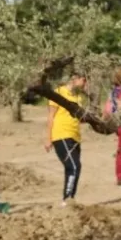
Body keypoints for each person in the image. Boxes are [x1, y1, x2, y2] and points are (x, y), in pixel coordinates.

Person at [45, 73, 87, 206]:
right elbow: (51, 116)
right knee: (74, 166)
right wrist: (48, 138)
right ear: (75, 79)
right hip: (61, 134)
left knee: (72, 168)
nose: (85, 84)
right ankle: (67, 199)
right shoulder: (58, 93)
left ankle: (69, 198)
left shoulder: (79, 97)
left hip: (75, 136)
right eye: (84, 80)